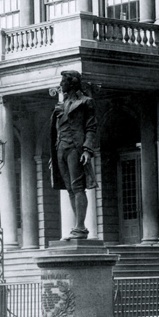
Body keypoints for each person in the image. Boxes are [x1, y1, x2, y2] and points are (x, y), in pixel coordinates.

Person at [47, 71, 100, 240]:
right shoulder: (59, 107)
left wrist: (87, 150)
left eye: (63, 82)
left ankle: (80, 227)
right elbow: (56, 132)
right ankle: (77, 226)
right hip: (61, 148)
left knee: (77, 187)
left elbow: (91, 128)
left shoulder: (86, 102)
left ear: (72, 83)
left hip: (75, 148)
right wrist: (53, 156)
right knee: (69, 188)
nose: (61, 85)